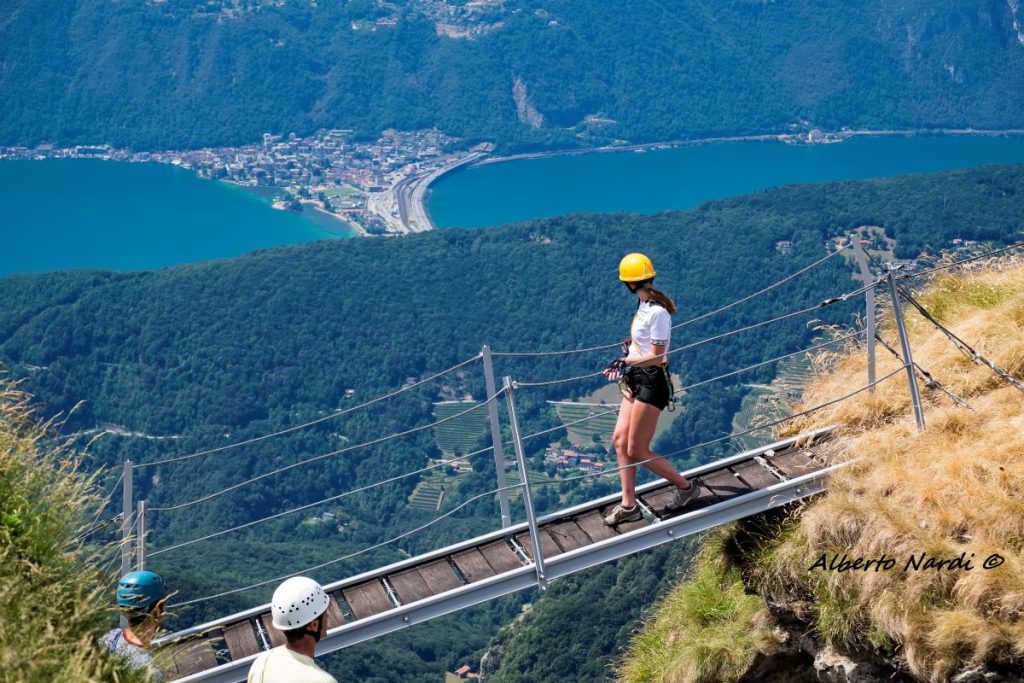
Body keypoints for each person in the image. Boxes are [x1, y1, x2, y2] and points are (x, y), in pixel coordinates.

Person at [602, 253, 700, 525]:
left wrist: (624, 360)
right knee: (620, 441)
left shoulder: (657, 312)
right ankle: (629, 505)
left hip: (651, 382)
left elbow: (657, 356)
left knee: (637, 450)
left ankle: (686, 488)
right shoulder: (644, 304)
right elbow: (645, 347)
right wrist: (630, 353)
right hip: (636, 378)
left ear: (629, 283)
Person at [248, 576, 337, 683]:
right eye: (324, 614)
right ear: (313, 624)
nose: (327, 617)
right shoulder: (323, 680)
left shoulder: (262, 663)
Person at [99, 570, 169, 681]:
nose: (166, 610)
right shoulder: (151, 673)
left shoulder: (110, 638)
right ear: (156, 612)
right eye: (164, 605)